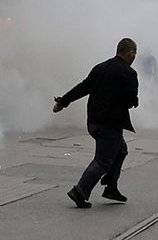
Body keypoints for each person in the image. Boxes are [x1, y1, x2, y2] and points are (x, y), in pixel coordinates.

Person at [53, 38, 139, 208]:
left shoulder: (100, 68)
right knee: (102, 161)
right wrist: (133, 100)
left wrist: (63, 102)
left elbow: (83, 87)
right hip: (110, 124)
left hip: (93, 122)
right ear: (130, 53)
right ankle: (80, 191)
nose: (134, 57)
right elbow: (130, 101)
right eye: (134, 54)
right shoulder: (128, 73)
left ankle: (111, 187)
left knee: (121, 150)